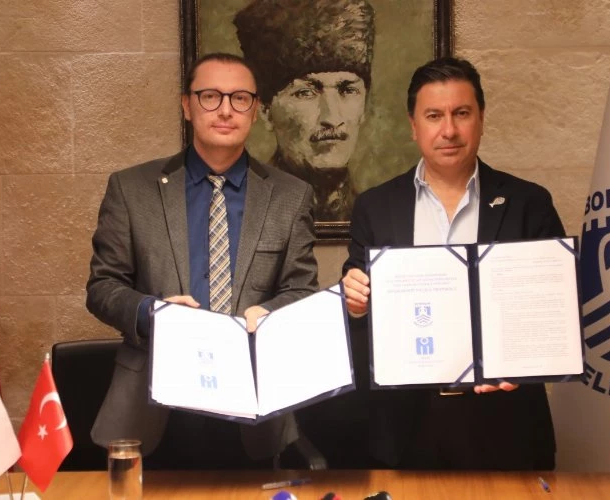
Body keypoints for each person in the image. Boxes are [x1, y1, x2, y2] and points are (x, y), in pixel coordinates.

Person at [86, 53, 319, 469]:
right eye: (210, 96)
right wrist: (153, 313)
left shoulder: (291, 195)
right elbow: (102, 287)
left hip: (254, 406)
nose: (226, 110)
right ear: (187, 105)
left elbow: (302, 289)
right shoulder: (131, 189)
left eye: (240, 98)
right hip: (153, 405)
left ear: (256, 110)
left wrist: (269, 313)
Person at [341, 56, 565, 470]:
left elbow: (555, 310)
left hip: (507, 423)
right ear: (413, 125)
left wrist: (527, 363)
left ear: (481, 119)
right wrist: (354, 303)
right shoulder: (375, 207)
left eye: (461, 113)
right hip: (405, 427)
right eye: (434, 116)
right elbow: (357, 310)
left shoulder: (529, 203)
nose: (449, 130)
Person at [234, 0, 375, 222]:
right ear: (265, 110)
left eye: (348, 90)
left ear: (364, 105)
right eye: (306, 93)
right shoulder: (240, 216)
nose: (332, 118)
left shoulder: (381, 216)